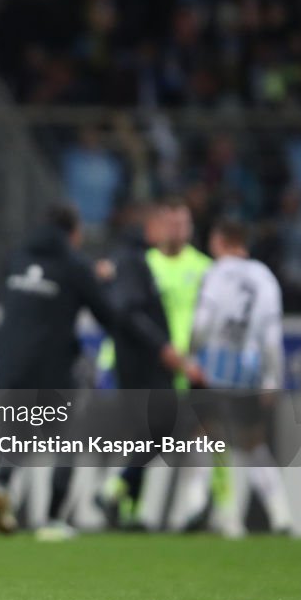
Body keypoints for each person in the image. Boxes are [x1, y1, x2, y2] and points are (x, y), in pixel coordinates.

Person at [0, 204, 201, 539]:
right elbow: (107, 313)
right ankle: (52, 519)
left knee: (19, 430)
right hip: (54, 364)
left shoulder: (15, 258)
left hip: (10, 362)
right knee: (67, 437)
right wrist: (98, 282)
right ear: (73, 234)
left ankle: (1, 483)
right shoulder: (73, 265)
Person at [97, 201, 212, 526]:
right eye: (170, 223)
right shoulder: (141, 264)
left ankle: (196, 505)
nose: (176, 230)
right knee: (145, 432)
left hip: (189, 363)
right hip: (149, 360)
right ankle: (128, 504)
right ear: (158, 226)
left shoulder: (204, 268)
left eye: (182, 223)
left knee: (197, 433)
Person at [186, 218, 292, 535]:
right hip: (248, 370)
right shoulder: (265, 277)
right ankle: (281, 515)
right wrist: (272, 378)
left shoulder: (216, 274)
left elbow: (203, 322)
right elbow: (272, 337)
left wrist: (191, 354)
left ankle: (204, 508)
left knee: (207, 437)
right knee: (253, 443)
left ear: (219, 241)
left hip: (215, 367)